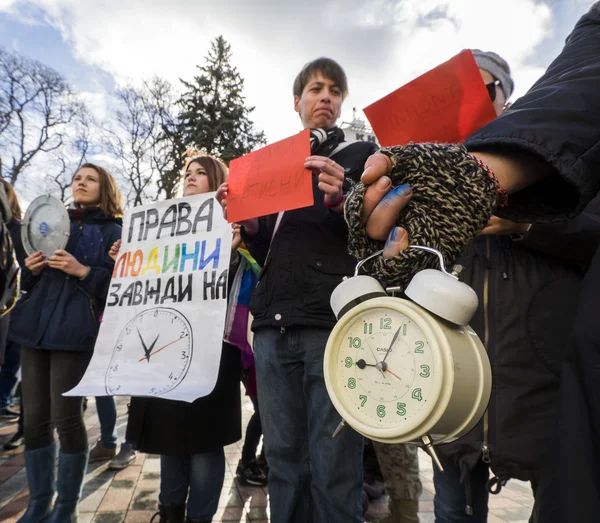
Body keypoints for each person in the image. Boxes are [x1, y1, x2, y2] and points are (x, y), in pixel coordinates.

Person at [345, 4, 600, 521]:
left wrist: (528, 222)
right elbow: (404, 274)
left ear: (512, 98)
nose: (481, 100)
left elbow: (591, 235)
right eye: (469, 91)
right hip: (450, 391)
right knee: (452, 511)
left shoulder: (568, 163)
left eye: (491, 89)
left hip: (537, 390)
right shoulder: (427, 180)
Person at [216, 57, 378, 523]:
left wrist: (345, 198)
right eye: (314, 88)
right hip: (271, 325)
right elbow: (267, 248)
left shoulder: (363, 153)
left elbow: (380, 231)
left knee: (336, 464)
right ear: (297, 102)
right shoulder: (271, 166)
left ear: (341, 101)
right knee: (284, 460)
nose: (325, 96)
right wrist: (245, 225)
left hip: (332, 324)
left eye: (333, 89)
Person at [125, 154, 243, 523]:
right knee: (169, 434)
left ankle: (200, 518)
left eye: (200, 173)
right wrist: (128, 261)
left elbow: (244, 281)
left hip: (210, 348)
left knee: (204, 439)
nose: (190, 178)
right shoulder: (162, 228)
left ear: (218, 183)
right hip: (165, 346)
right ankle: (170, 511)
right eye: (187, 173)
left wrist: (234, 253)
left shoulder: (232, 225)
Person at [11, 164, 123, 523]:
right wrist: (31, 267)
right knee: (35, 420)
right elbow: (28, 281)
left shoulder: (113, 232)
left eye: (90, 178)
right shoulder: (50, 221)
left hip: (74, 335)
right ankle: (38, 505)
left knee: (67, 420)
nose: (81, 182)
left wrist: (84, 271)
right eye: (77, 178)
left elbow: (117, 289)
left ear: (104, 188)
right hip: (34, 331)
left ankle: (66, 509)